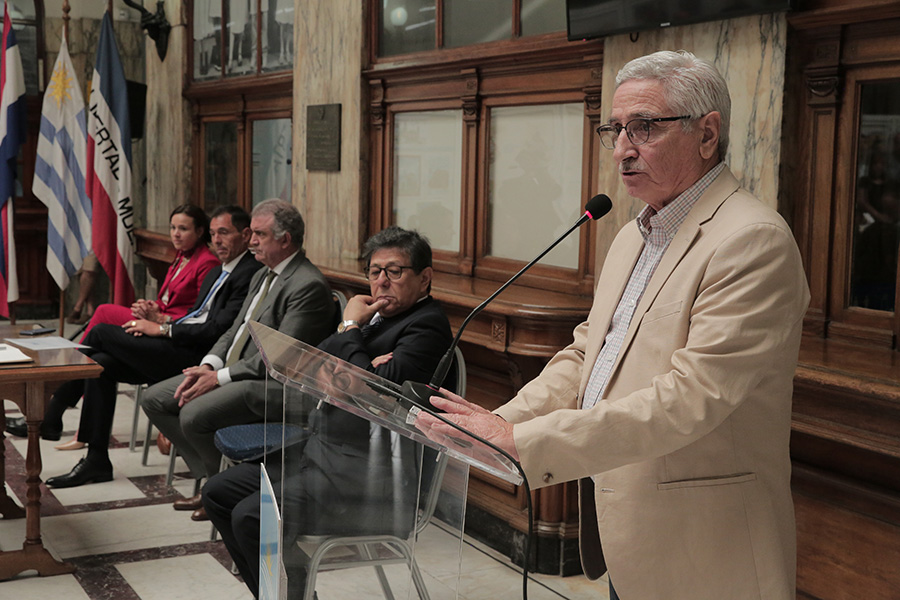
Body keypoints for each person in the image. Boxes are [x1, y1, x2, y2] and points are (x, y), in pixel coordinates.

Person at [417, 50, 810, 600]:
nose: (624, 149)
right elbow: (588, 358)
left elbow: (691, 397)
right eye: (616, 129)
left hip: (705, 545)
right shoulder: (632, 235)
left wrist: (524, 442)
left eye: (644, 127)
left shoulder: (751, 240)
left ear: (706, 134)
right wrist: (498, 425)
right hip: (629, 531)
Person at [202, 226, 453, 598]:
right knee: (218, 491)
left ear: (424, 278)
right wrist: (353, 362)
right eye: (374, 271)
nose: (382, 281)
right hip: (322, 457)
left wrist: (351, 333)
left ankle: (294, 594)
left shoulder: (427, 325)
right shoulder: (377, 318)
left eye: (395, 271)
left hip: (369, 480)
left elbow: (373, 388)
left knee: (252, 516)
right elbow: (312, 359)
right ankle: (281, 594)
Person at [18, 207, 259, 487]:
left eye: (224, 233)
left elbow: (216, 330)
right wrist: (158, 318)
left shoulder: (247, 273)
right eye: (215, 233)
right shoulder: (218, 270)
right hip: (177, 341)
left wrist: (162, 329)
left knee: (100, 332)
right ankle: (96, 460)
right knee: (101, 363)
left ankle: (54, 409)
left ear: (246, 235)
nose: (217, 240)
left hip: (195, 357)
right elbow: (196, 315)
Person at [141, 199, 336, 514]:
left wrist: (217, 378)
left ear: (285, 240)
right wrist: (209, 365)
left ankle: (220, 491)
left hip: (275, 387)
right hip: (233, 371)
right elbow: (234, 330)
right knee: (155, 398)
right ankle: (215, 479)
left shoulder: (306, 285)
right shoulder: (263, 273)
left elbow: (278, 358)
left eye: (260, 235)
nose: (251, 241)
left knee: (192, 414)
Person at [82, 204, 220, 337]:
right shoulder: (181, 253)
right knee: (103, 338)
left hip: (171, 327)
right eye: (172, 228)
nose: (175, 234)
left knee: (103, 312)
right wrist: (150, 306)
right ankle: (80, 357)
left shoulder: (207, 262)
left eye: (183, 229)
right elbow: (167, 299)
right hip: (157, 317)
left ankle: (76, 357)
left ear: (200, 231)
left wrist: (160, 318)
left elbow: (200, 313)